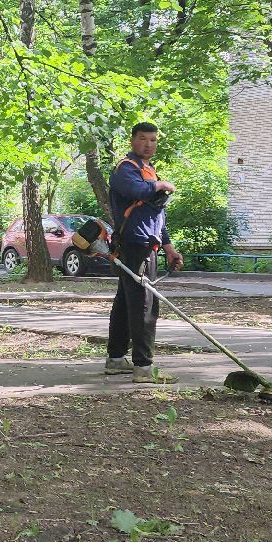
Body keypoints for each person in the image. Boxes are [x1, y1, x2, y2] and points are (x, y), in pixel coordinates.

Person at [104, 121, 184, 384]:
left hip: (146, 244)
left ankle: (116, 359)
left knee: (126, 302)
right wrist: (160, 185)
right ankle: (144, 368)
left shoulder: (148, 171)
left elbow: (156, 216)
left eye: (153, 140)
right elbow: (136, 190)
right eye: (142, 139)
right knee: (144, 305)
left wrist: (169, 247)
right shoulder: (125, 169)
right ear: (132, 140)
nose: (148, 144)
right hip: (134, 245)